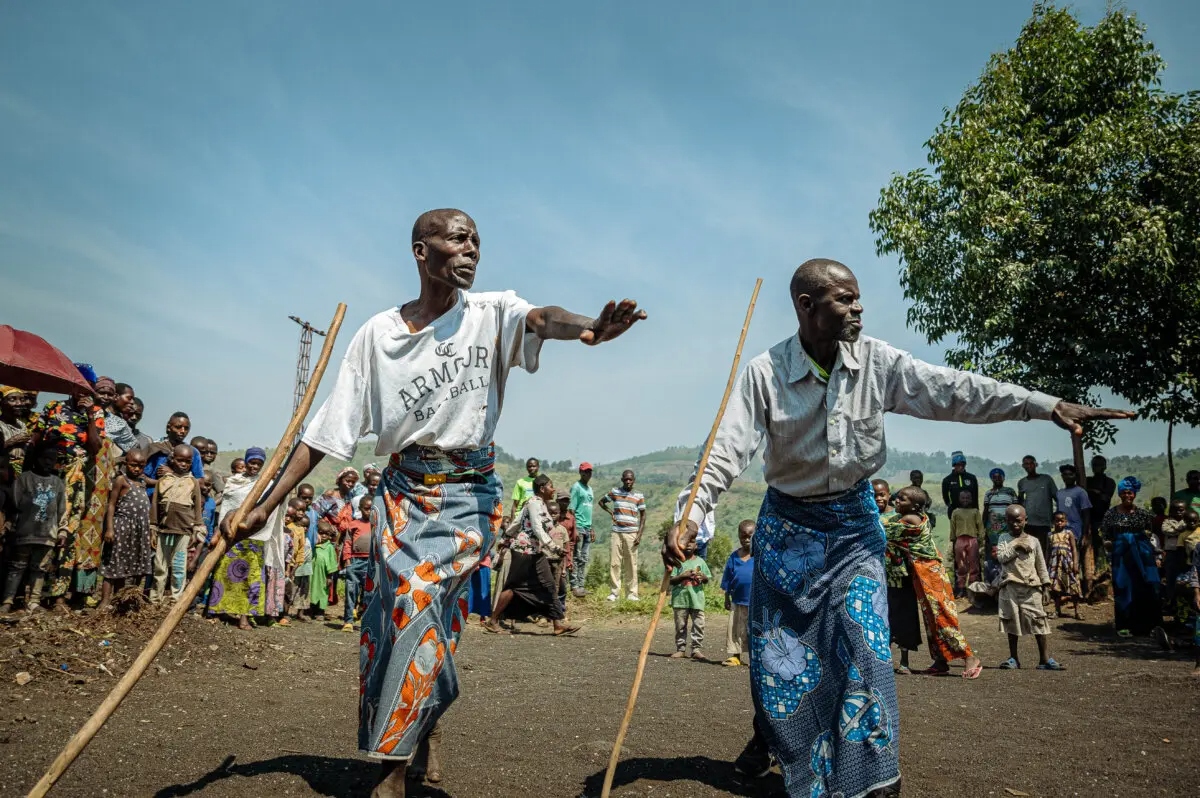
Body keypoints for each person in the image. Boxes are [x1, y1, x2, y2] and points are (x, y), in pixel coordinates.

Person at [662, 258, 1131, 797]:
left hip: (855, 529)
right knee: (782, 663)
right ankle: (775, 743)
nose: (858, 307)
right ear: (806, 307)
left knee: (864, 646)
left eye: (858, 297)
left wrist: (1044, 406)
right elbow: (722, 452)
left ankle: (873, 780)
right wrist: (690, 517)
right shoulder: (765, 373)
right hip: (788, 535)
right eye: (844, 298)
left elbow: (956, 390)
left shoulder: (878, 363)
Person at [228, 208, 643, 795]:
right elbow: (328, 428)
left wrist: (588, 329)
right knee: (402, 622)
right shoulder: (378, 335)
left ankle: (391, 773)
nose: (471, 248)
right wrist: (268, 502)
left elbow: (544, 317)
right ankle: (424, 730)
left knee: (416, 600)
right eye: (456, 238)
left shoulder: (492, 312)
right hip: (399, 495)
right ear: (421, 252)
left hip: (467, 496)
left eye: (476, 239)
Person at [885, 485, 982, 678]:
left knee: (941, 616)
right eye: (897, 497)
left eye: (903, 499)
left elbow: (884, 531)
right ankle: (940, 660)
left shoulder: (908, 520)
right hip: (922, 573)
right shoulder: (918, 516)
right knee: (931, 618)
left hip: (930, 574)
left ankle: (969, 657)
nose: (897, 500)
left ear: (915, 506)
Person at [32, 372, 106, 607]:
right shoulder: (53, 407)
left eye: (88, 388)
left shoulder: (96, 413)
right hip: (48, 473)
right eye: (78, 386)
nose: (83, 392)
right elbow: (37, 440)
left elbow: (95, 448)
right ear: (70, 387)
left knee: (68, 533)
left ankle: (58, 595)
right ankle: (31, 594)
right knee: (40, 527)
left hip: (75, 478)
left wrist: (90, 416)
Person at [485, 474, 578, 635]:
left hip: (534, 551)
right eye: (550, 486)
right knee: (514, 587)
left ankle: (557, 624)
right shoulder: (534, 503)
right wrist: (553, 547)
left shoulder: (541, 504)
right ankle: (493, 620)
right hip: (524, 551)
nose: (553, 489)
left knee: (548, 585)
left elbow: (535, 523)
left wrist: (507, 536)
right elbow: (536, 527)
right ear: (542, 489)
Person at [209, 448, 284, 630]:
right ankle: (218, 611)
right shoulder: (235, 482)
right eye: (252, 462)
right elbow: (229, 505)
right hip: (233, 537)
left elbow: (271, 508)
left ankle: (244, 617)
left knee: (250, 579)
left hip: (255, 539)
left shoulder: (266, 485)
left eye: (258, 464)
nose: (254, 466)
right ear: (246, 462)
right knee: (224, 574)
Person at [994, 504, 1063, 670]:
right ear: (1006, 522)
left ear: (1026, 520)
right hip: (1009, 586)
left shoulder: (1034, 541)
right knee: (1011, 621)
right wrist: (1016, 546)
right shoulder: (1004, 538)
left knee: (1039, 620)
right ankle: (1013, 658)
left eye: (1018, 521)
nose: (1015, 524)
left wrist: (1046, 586)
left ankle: (1044, 659)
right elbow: (1002, 557)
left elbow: (1041, 565)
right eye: (1010, 521)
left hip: (1031, 587)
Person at [1, 446, 66, 611]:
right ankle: (7, 601)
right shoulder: (24, 479)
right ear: (36, 458)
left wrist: (62, 531)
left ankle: (34, 602)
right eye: (44, 458)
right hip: (24, 533)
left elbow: (62, 510)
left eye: (52, 460)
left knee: (40, 568)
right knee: (17, 567)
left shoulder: (57, 483)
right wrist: (11, 526)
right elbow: (14, 503)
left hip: (47, 535)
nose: (48, 462)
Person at [1101, 476, 1165, 642]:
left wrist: (1156, 554)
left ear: (1134, 494)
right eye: (1124, 493)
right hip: (1121, 556)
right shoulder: (1111, 514)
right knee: (1123, 588)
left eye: (1130, 493)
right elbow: (1106, 536)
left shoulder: (1144, 514)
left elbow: (1153, 535)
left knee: (1146, 586)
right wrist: (1111, 549)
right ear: (1120, 494)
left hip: (1142, 556)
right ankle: (1124, 626)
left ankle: (1148, 626)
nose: (1127, 496)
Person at [97, 448, 153, 612]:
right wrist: (109, 529)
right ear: (126, 464)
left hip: (138, 530)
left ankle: (119, 601)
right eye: (133, 465)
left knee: (124, 567)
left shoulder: (142, 482)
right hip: (121, 527)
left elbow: (156, 482)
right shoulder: (121, 480)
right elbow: (112, 504)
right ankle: (104, 601)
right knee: (112, 565)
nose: (137, 469)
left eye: (141, 466)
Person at [150, 444, 204, 603]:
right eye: (180, 460)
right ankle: (155, 600)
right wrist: (153, 527)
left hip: (184, 532)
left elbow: (197, 507)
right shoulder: (163, 480)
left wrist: (197, 528)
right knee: (160, 567)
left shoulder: (193, 482)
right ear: (173, 460)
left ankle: (175, 600)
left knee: (179, 568)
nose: (183, 464)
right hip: (163, 530)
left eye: (187, 461)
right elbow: (155, 504)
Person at [877, 480, 920, 676]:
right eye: (874, 495)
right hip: (878, 575)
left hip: (901, 574)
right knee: (880, 617)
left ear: (888, 495)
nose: (879, 498)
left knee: (903, 617)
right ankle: (882, 661)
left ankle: (904, 661)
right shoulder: (869, 517)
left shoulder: (899, 516)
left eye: (882, 494)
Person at [599, 469, 646, 602]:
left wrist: (639, 534)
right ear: (622, 480)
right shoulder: (615, 492)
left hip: (632, 533)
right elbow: (601, 502)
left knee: (631, 564)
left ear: (634, 480)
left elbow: (643, 516)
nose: (628, 481)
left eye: (630, 479)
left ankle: (632, 593)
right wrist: (611, 513)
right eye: (626, 479)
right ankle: (614, 592)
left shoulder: (638, 496)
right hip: (617, 532)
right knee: (615, 563)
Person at [143, 412, 204, 498]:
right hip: (152, 498)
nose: (182, 431)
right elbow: (140, 475)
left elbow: (200, 482)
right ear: (169, 427)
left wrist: (173, 475)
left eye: (186, 428)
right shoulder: (155, 448)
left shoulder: (192, 452)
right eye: (178, 427)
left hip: (180, 500)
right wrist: (160, 482)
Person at [669, 538, 711, 661]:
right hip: (680, 600)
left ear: (696, 546)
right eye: (685, 542)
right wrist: (683, 576)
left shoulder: (701, 562)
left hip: (697, 600)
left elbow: (707, 579)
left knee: (699, 624)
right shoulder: (677, 562)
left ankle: (696, 649)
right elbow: (671, 580)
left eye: (691, 542)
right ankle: (681, 649)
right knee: (680, 625)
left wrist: (703, 577)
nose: (688, 544)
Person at [721, 520, 754, 667]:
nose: (746, 540)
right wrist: (726, 597)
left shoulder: (759, 557)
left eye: (750, 536)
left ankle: (755, 658)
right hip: (737, 600)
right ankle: (736, 656)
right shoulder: (734, 557)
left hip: (754, 601)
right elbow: (728, 578)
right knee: (735, 629)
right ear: (739, 536)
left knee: (753, 630)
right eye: (743, 536)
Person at [339, 495, 374, 632]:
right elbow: (347, 543)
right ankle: (348, 621)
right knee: (351, 591)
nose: (369, 512)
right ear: (360, 509)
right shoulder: (353, 525)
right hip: (355, 562)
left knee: (368, 594)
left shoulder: (376, 525)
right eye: (366, 509)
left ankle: (366, 622)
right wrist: (347, 561)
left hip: (371, 563)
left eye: (371, 509)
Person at [1085, 455, 1117, 588]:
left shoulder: (1109, 482)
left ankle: (1103, 577)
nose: (1096, 467)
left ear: (1104, 466)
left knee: (1102, 550)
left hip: (1102, 519)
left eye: (1099, 465)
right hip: (1087, 519)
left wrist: (1091, 492)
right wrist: (1096, 493)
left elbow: (1105, 498)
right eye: (1094, 465)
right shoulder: (1087, 480)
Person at [1017, 455, 1057, 558]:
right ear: (1023, 466)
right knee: (1029, 552)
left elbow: (1057, 497)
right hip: (1028, 523)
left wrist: (1056, 516)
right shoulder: (1022, 482)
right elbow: (1020, 501)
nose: (1029, 466)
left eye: (1031, 463)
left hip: (1044, 523)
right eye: (1026, 464)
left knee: (1043, 552)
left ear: (1036, 464)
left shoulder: (1046, 479)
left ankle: (1043, 573)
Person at [1046, 511, 1082, 619]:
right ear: (1053, 522)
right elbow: (1048, 550)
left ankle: (1077, 611)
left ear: (1066, 522)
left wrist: (1075, 563)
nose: (1059, 523)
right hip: (1054, 565)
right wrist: (1046, 564)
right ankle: (1057, 611)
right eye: (1057, 521)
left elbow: (1074, 549)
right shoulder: (1050, 535)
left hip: (1068, 564)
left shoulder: (1069, 533)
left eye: (1062, 521)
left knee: (1073, 585)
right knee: (1056, 588)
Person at [981, 468, 1018, 573]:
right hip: (992, 528)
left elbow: (1016, 508)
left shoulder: (1010, 491)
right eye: (994, 477)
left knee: (1007, 550)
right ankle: (992, 577)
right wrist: (983, 528)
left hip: (1007, 527)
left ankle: (1008, 575)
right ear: (991, 479)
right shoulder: (989, 493)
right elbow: (986, 510)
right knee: (993, 553)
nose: (997, 479)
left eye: (999, 476)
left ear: (1003, 478)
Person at [950, 489, 983, 596]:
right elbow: (953, 527)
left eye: (968, 498)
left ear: (971, 499)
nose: (965, 500)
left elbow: (980, 527)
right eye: (963, 498)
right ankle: (961, 588)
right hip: (959, 540)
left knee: (974, 564)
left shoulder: (975, 511)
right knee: (961, 564)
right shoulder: (955, 512)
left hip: (972, 540)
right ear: (959, 499)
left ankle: (973, 587)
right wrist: (953, 540)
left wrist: (980, 539)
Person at [284, 497, 313, 622]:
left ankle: (285, 614)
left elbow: (300, 548)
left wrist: (298, 562)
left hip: (294, 564)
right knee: (284, 588)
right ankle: (280, 613)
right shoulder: (286, 526)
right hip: (285, 561)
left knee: (291, 589)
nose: (301, 513)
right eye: (298, 510)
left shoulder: (300, 530)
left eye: (303, 510)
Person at [568, 462, 594, 597]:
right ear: (580, 472)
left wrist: (591, 528)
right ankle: (574, 586)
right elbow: (571, 509)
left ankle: (581, 585)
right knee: (576, 557)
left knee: (584, 558)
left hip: (587, 527)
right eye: (585, 471)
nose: (587, 474)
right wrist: (574, 529)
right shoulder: (576, 487)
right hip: (578, 526)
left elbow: (589, 510)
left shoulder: (589, 489)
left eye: (589, 471)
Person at [0, 385, 35, 475]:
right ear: (2, 402)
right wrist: (11, 441)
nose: (19, 403)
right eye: (12, 399)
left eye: (22, 399)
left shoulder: (22, 425)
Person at [675, 484, 717, 559]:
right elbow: (677, 515)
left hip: (701, 540)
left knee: (701, 565)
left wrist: (710, 535)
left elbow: (710, 518)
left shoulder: (706, 498)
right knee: (685, 564)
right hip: (686, 540)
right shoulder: (684, 497)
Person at [1054, 465, 1092, 545]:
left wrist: (1085, 534)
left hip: (1075, 531)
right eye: (1065, 474)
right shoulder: (1059, 493)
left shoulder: (1081, 492)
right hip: (1061, 531)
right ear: (1062, 476)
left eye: (1071, 474)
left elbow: (1086, 514)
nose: (1068, 477)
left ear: (1075, 476)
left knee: (1075, 555)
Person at [309, 520, 338, 622]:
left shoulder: (329, 547)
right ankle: (311, 610)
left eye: (327, 534)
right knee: (312, 590)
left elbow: (332, 562)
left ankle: (320, 612)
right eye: (321, 533)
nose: (324, 536)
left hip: (323, 575)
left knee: (322, 592)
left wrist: (330, 577)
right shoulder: (313, 545)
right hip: (312, 574)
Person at [940, 451, 978, 521]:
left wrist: (976, 512)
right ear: (954, 465)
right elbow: (945, 497)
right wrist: (951, 507)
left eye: (963, 465)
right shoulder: (947, 480)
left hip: (970, 513)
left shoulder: (972, 478)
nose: (961, 467)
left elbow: (975, 497)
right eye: (958, 465)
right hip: (954, 513)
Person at [104, 384, 139, 455]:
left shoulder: (121, 424)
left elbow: (135, 449)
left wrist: (118, 460)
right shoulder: (95, 411)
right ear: (116, 396)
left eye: (133, 399)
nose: (132, 402)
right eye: (129, 398)